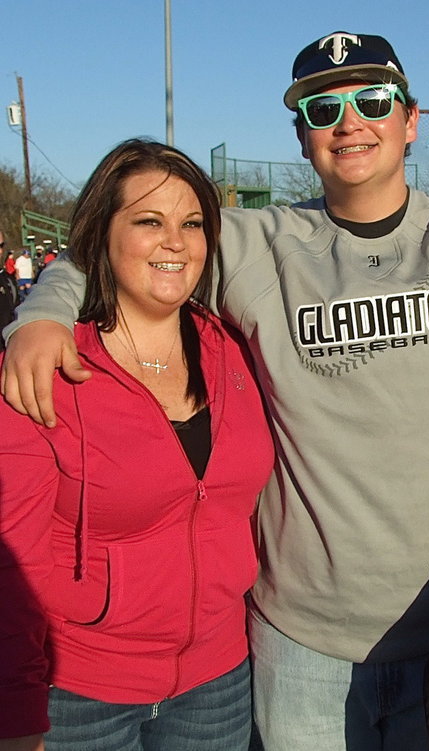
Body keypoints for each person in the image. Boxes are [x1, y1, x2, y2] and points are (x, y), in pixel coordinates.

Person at [1, 32, 429, 751]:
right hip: (303, 644)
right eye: (322, 108)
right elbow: (129, 249)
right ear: (301, 136)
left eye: (371, 100)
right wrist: (44, 314)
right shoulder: (254, 245)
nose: (349, 121)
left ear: (410, 119)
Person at [0, 140, 274, 751]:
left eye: (192, 223)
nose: (175, 241)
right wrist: (16, 712)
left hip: (218, 680)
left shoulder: (234, 347)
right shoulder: (45, 368)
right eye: (149, 221)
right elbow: (10, 557)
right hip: (78, 694)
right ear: (102, 234)